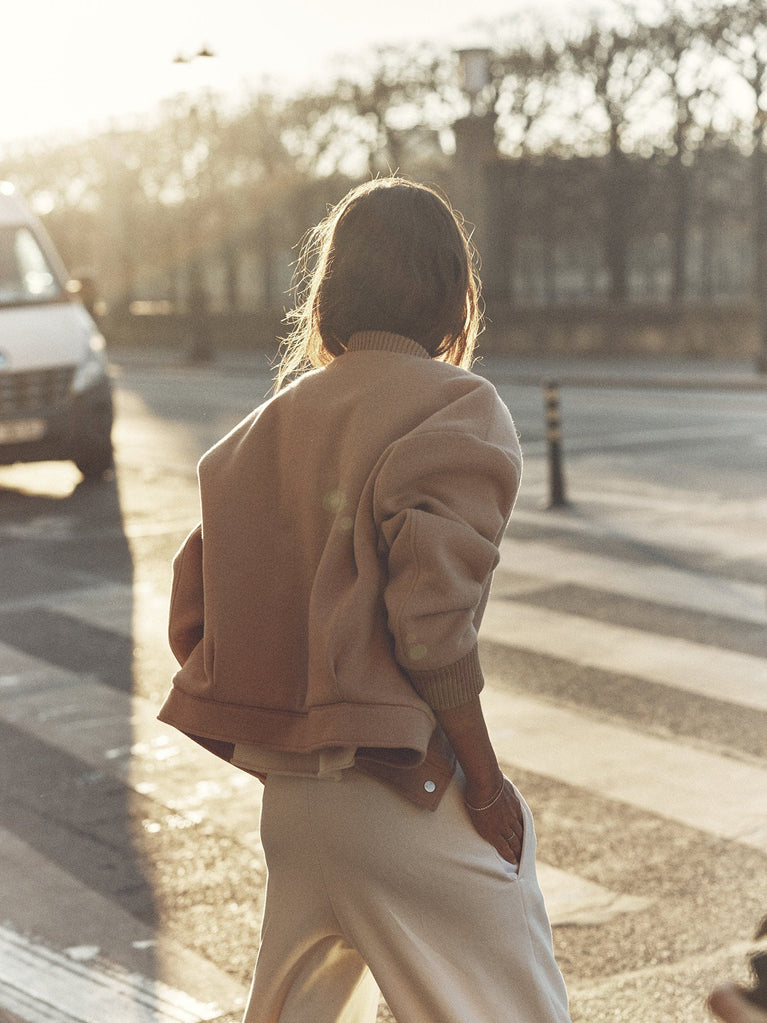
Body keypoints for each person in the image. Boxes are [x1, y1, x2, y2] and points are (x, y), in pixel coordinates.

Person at [158, 176, 571, 1023]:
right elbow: (430, 624)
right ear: (454, 298)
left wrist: (295, 730)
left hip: (295, 810)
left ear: (329, 293)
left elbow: (196, 617)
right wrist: (485, 786)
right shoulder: (459, 407)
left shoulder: (256, 433)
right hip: (402, 791)